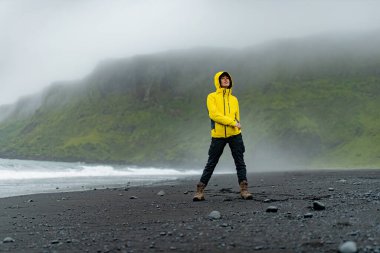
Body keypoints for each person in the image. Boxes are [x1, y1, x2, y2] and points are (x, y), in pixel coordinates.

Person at [193, 71, 253, 201]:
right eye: (223, 78)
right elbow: (214, 115)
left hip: (235, 135)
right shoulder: (211, 97)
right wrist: (232, 122)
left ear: (230, 81)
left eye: (227, 78)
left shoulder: (234, 99)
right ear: (218, 81)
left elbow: (237, 117)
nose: (225, 80)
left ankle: (244, 190)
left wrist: (236, 124)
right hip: (218, 135)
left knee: (240, 162)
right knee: (211, 163)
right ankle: (199, 191)